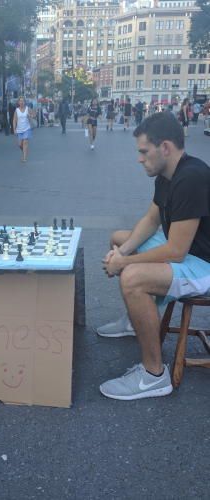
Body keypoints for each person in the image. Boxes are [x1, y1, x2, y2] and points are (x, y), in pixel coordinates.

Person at [97, 112, 210, 400]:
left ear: (166, 148)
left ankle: (153, 376)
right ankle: (137, 320)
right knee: (119, 239)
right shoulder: (167, 174)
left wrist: (124, 264)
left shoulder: (191, 177)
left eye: (144, 152)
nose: (139, 159)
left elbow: (176, 251)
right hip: (186, 252)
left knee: (132, 278)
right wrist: (121, 252)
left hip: (203, 263)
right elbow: (150, 220)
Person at [12, 96, 37, 162]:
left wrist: (30, 115)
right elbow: (14, 120)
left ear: (25, 102)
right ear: (18, 102)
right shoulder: (16, 110)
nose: (22, 102)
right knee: (20, 144)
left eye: (23, 101)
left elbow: (35, 116)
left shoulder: (28, 109)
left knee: (25, 142)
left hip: (27, 128)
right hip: (19, 129)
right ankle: (24, 151)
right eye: (21, 101)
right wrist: (14, 130)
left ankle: (24, 157)